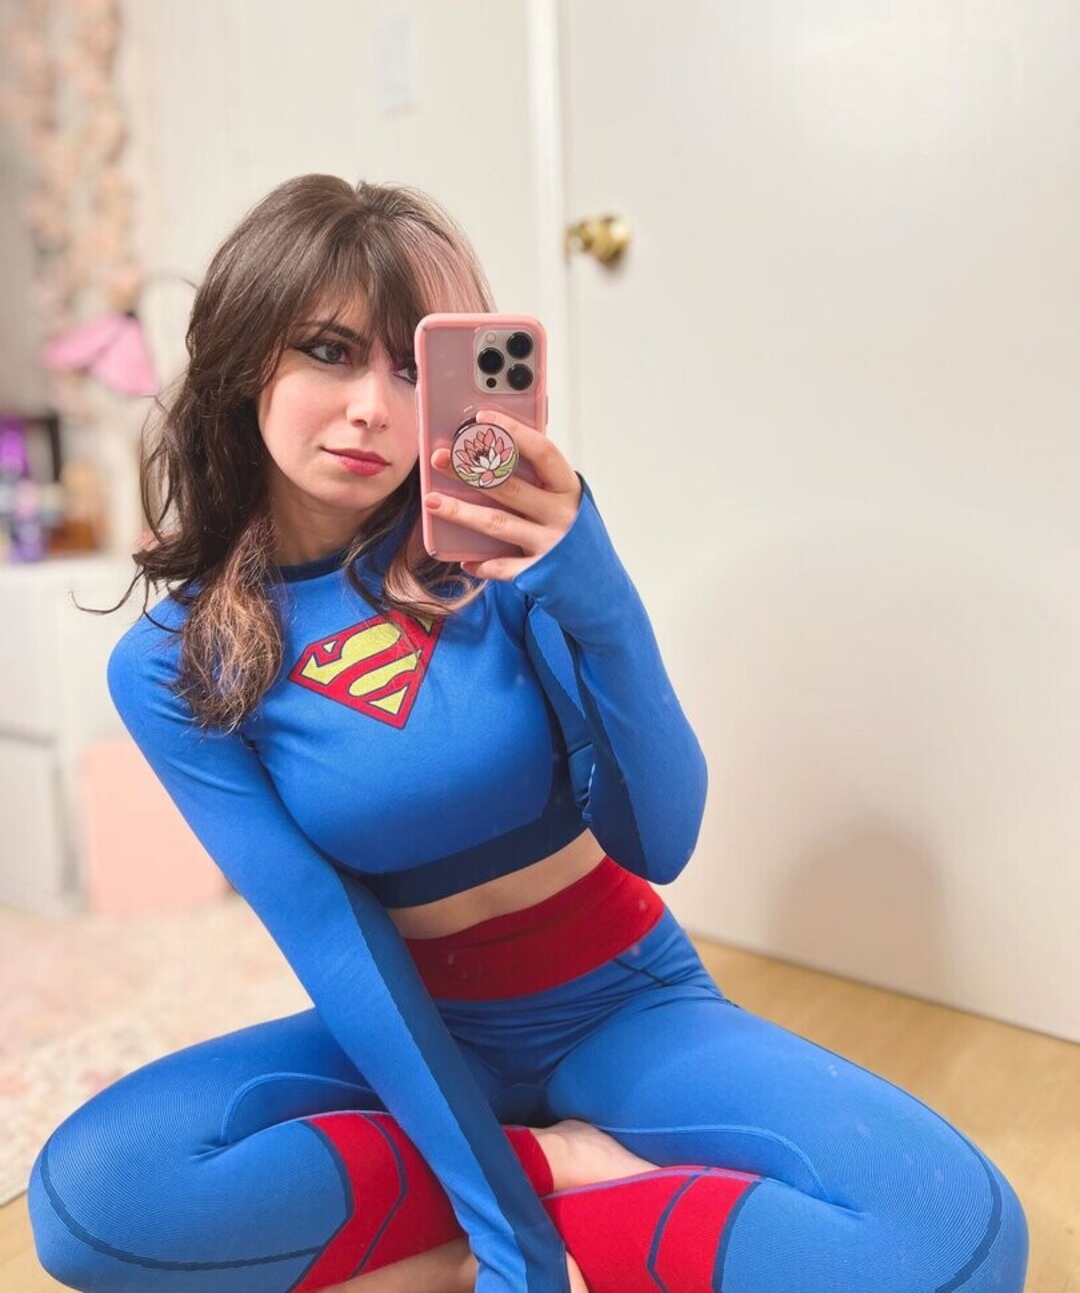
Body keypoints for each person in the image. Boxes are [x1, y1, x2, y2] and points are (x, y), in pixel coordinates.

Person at [28, 176, 1028, 1293]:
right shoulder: (173, 661)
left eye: (414, 368)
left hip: (620, 998)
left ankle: (461, 1223)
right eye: (328, 351)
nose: (373, 408)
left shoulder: (498, 553)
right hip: (409, 1027)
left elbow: (659, 839)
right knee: (95, 1195)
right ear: (244, 355)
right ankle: (565, 1172)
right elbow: (333, 942)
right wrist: (513, 1237)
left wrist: (590, 585)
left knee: (960, 1238)